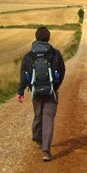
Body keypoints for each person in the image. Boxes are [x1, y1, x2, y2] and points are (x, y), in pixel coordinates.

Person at [16, 27, 65, 161]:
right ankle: (46, 151)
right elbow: (62, 69)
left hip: (36, 91)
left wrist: (21, 91)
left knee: (38, 115)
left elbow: (24, 73)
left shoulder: (29, 55)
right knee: (48, 117)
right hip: (51, 91)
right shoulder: (55, 53)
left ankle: (38, 140)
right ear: (48, 38)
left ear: (36, 38)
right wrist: (58, 84)